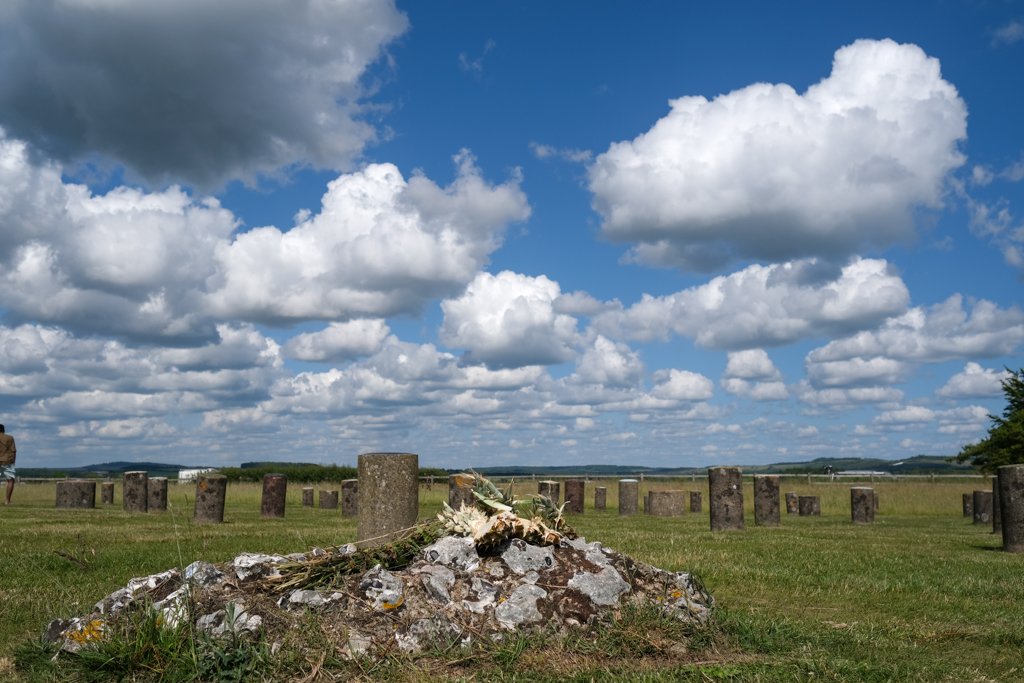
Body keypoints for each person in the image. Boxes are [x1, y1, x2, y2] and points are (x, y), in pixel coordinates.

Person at [0, 424, 16, 505]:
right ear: (3, 430)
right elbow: (13, 451)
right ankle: (7, 501)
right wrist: (13, 462)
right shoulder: (10, 438)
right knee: (10, 480)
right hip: (7, 461)